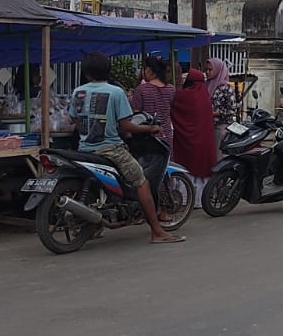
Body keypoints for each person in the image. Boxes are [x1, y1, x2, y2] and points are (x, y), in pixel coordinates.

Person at [70, 51, 184, 244]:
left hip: (84, 148)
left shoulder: (78, 92)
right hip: (110, 148)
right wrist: (150, 128)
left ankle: (95, 225)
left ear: (87, 73)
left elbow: (73, 119)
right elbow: (126, 126)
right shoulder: (116, 92)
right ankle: (157, 231)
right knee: (141, 181)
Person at [170, 68, 218, 203]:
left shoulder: (181, 95)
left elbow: (174, 111)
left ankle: (185, 199)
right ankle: (201, 200)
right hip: (204, 139)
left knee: (186, 168)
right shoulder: (205, 95)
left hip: (185, 141)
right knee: (201, 170)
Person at [131, 54, 176, 152]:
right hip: (167, 134)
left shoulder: (141, 90)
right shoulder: (171, 89)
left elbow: (136, 115)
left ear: (149, 70)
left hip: (148, 137)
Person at [206, 57, 238, 135]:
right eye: (206, 69)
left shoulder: (226, 88)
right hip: (206, 125)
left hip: (220, 126)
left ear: (217, 70)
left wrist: (215, 113)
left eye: (210, 70)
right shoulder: (206, 85)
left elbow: (232, 110)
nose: (207, 72)